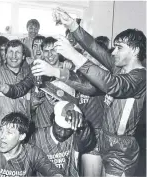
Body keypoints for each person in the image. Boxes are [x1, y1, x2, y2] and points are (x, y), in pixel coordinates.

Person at [53, 7, 146, 177]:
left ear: (135, 50)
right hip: (105, 139)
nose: (113, 51)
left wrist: (73, 55)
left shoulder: (141, 76)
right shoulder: (121, 68)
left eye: (119, 48)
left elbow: (112, 85)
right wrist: (72, 25)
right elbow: (95, 47)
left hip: (121, 150)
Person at [0, 75, 64, 177]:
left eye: (9, 132)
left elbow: (50, 169)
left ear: (22, 136)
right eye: (2, 130)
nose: (2, 136)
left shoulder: (32, 153)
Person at [31, 101, 95, 176]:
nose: (62, 134)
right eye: (59, 128)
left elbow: (85, 141)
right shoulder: (37, 137)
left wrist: (83, 126)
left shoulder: (75, 137)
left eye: (68, 130)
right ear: (53, 121)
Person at [0, 39, 32, 135]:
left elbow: (28, 105)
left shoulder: (28, 77)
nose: (14, 56)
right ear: (5, 55)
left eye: (18, 52)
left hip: (20, 132)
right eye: (10, 52)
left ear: (23, 56)